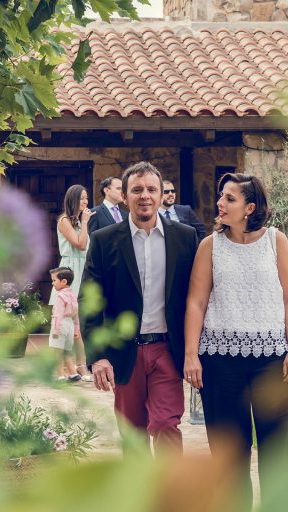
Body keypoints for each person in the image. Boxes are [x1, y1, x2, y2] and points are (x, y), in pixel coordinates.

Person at [183, 173, 288, 510]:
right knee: (228, 451)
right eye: (221, 196)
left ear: (250, 208)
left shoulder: (276, 241)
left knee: (277, 447)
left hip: (272, 359)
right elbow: (196, 302)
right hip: (220, 360)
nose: (220, 203)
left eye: (229, 198)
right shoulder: (210, 245)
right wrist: (192, 354)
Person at [82, 161, 199, 456]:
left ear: (162, 195)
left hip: (166, 349)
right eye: (136, 190)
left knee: (165, 424)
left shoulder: (185, 238)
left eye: (151, 189)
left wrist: (193, 351)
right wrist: (98, 357)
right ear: (125, 197)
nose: (144, 195)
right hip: (124, 352)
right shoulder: (104, 240)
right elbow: (90, 300)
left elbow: (197, 298)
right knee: (132, 434)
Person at [49, 184, 94, 381]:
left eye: (87, 198)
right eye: (82, 198)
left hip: (84, 271)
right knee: (67, 324)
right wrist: (85, 223)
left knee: (79, 326)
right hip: (70, 272)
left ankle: (80, 367)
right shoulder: (64, 221)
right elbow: (80, 244)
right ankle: (65, 369)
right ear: (73, 200)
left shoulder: (79, 222)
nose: (85, 202)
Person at [49, 267, 83, 382]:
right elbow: (76, 314)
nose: (52, 283)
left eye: (54, 280)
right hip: (70, 325)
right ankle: (73, 374)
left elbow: (58, 315)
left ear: (63, 282)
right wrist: (77, 329)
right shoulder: (73, 295)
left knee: (57, 352)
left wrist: (55, 330)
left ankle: (61, 376)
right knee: (66, 351)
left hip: (61, 324)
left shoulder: (60, 296)